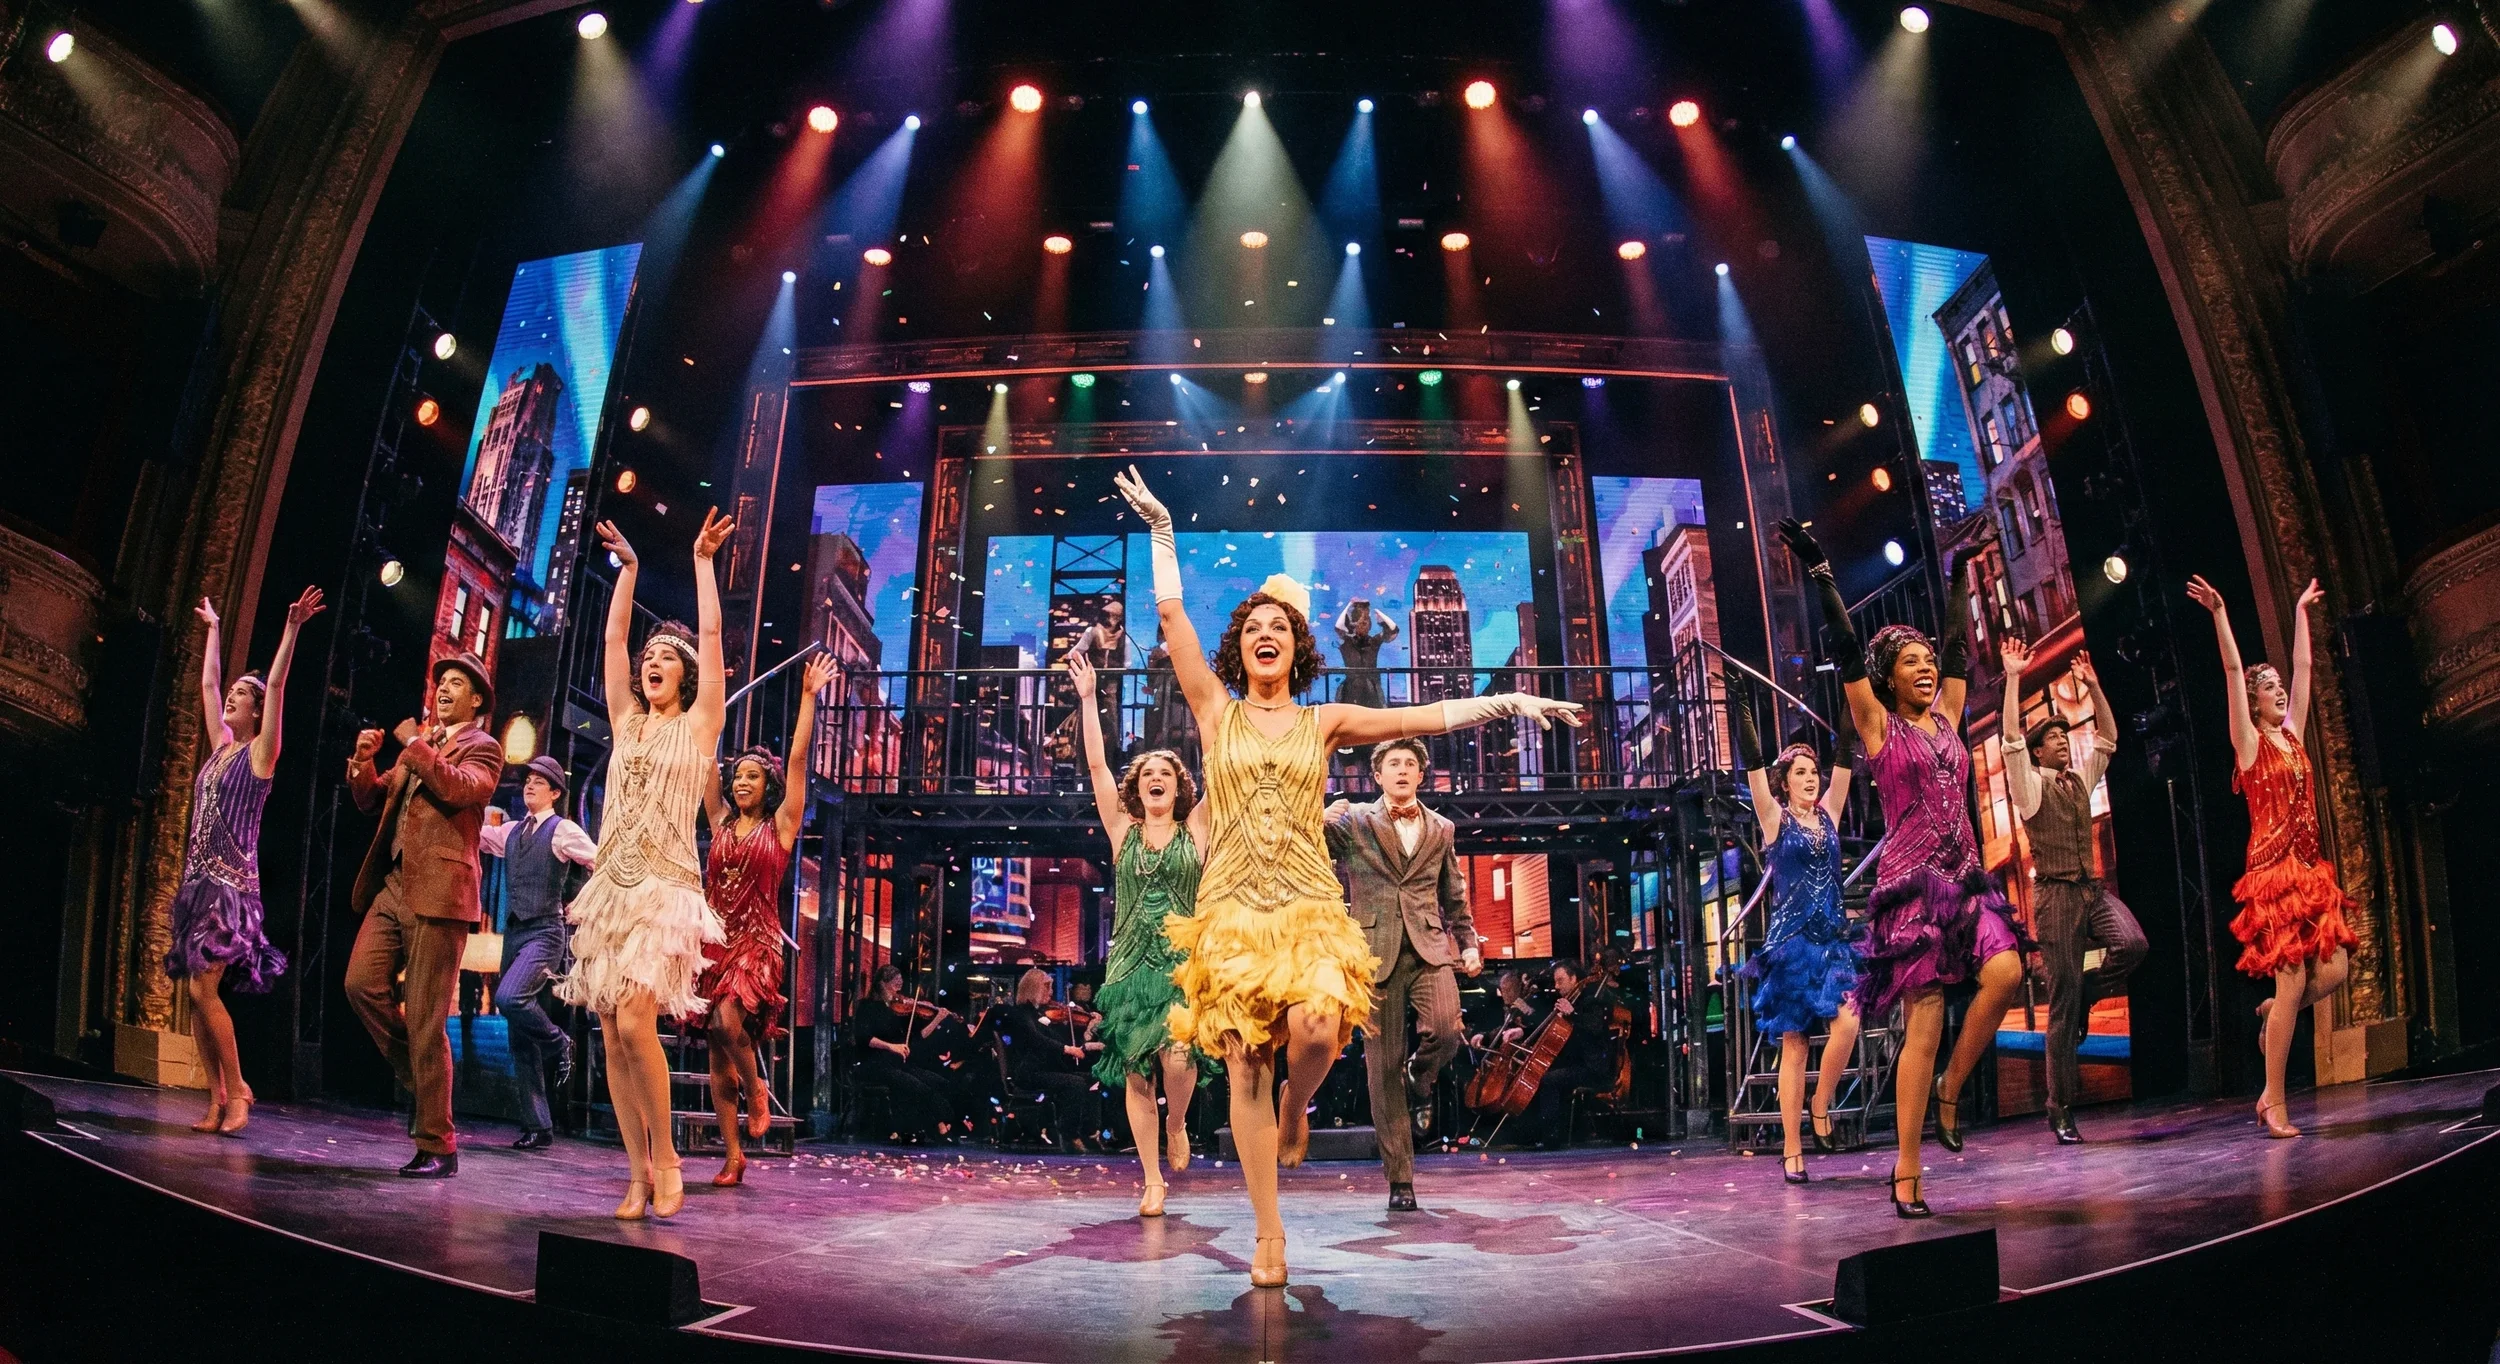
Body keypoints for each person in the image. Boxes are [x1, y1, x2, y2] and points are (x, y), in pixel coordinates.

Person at [1115, 464, 1583, 1287]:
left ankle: (1299, 1107)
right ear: (1242, 645)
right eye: (1255, 625)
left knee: (1320, 1033)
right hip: (1228, 912)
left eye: (1281, 628)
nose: (1267, 634)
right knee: (1245, 1063)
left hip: (1305, 907)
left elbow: (1421, 716)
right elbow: (1173, 617)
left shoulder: (1324, 721)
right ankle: (1269, 1232)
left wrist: (1508, 705)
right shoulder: (1213, 712)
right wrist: (1161, 534)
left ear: (1298, 650)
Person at [1777, 519, 2025, 1219]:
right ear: (1889, 680)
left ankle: (1952, 1088)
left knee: (2005, 973)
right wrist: (1823, 576)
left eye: (1927, 660)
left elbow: (1953, 645)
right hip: (1913, 890)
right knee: (1924, 1020)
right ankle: (1907, 1167)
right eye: (1909, 662)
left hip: (1966, 880)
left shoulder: (1949, 713)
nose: (1924, 667)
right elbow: (1847, 651)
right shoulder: (1879, 727)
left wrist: (1953, 574)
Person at [554, 510, 736, 1219]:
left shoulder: (700, 725)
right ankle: (635, 1171)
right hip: (612, 887)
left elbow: (714, 636)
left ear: (687, 678)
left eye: (667, 661)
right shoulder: (627, 721)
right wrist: (627, 573)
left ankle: (666, 1157)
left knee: (636, 1022)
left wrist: (701, 564)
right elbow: (611, 637)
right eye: (648, 661)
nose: (651, 665)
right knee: (608, 1031)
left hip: (663, 887)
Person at [2186, 574, 2357, 1139]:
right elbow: (2232, 672)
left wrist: (2303, 612)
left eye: (2278, 685)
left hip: (2307, 871)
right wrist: (2219, 615)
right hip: (2272, 874)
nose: (2279, 690)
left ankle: (2271, 1017)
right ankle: (2274, 1100)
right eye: (2269, 687)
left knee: (2334, 968)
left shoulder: (2293, 735)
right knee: (2289, 986)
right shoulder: (2251, 744)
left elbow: (2306, 672)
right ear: (2253, 702)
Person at [343, 650, 505, 1178]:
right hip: (393, 884)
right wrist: (364, 763)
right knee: (360, 984)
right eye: (441, 683)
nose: (443, 690)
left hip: (440, 894)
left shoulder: (483, 747)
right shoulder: (426, 745)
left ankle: (439, 1145)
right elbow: (374, 800)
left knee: (428, 1021)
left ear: (476, 699)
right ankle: (423, 1077)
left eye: (456, 684)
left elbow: (460, 790)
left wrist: (415, 744)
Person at [168, 586, 323, 1136]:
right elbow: (207, 683)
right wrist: (213, 628)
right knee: (193, 991)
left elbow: (277, 682)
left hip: (231, 887)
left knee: (204, 989)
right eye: (232, 691)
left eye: (242, 694)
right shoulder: (218, 749)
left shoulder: (261, 754)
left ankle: (238, 1092)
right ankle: (215, 1098)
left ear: (258, 711)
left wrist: (293, 628)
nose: (230, 696)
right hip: (197, 884)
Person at [1068, 650, 1209, 1216]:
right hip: (1128, 964)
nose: (1155, 779)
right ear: (1138, 787)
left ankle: (1178, 1122)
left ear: (1179, 787)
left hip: (1180, 960)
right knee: (1133, 1073)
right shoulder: (1121, 829)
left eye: (1165, 774)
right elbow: (1099, 768)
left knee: (1177, 1059)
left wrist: (1210, 710)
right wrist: (1087, 700)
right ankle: (1151, 1178)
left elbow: (1221, 765)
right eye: (1147, 774)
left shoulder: (1196, 828)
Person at [1322, 737, 1480, 1212]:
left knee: (1448, 1029)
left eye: (1411, 764)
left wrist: (1469, 943)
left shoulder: (1442, 828)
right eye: (1394, 764)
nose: (1403, 770)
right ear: (1379, 775)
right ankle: (1401, 1179)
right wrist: (1322, 816)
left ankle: (1422, 1074)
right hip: (1374, 953)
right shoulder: (1355, 820)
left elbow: (1454, 893)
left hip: (1430, 948)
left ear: (1421, 774)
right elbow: (1310, 843)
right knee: (1381, 1070)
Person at [696, 653, 837, 1186]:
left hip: (756, 943)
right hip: (713, 941)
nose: (739, 783)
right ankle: (733, 1155)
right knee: (715, 1049)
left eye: (751, 776)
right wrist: (709, 694)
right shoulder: (719, 820)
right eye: (737, 777)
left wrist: (807, 697)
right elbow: (705, 756)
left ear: (768, 784)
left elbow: (798, 759)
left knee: (729, 1021)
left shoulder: (780, 826)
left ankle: (759, 1090)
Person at [2000, 641, 2146, 1145]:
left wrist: (2095, 686)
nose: (2063, 741)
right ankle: (2060, 1108)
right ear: (2040, 751)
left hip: (2091, 890)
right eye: (2054, 738)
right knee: (2061, 1005)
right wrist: (2014, 677)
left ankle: (2088, 995)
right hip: (2056, 897)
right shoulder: (2030, 786)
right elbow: (2011, 743)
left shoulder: (2078, 779)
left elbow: (2107, 737)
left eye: (2065, 735)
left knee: (2133, 944)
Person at [1728, 685, 1861, 1184]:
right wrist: (1743, 709)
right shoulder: (1773, 818)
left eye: (1813, 772)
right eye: (1801, 773)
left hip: (1831, 940)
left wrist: (1852, 688)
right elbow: (1754, 760)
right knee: (1795, 1046)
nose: (1811, 778)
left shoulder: (1829, 813)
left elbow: (1845, 751)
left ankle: (1821, 1104)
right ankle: (1790, 1147)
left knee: (1847, 1024)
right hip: (1791, 944)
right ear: (1784, 783)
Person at [478, 755, 598, 1151]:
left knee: (510, 997)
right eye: (527, 780)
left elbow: (602, 863)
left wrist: (579, 905)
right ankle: (539, 1126)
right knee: (517, 1036)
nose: (529, 786)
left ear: (555, 792)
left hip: (546, 932)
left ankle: (558, 1041)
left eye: (538, 782)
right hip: (514, 932)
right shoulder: (512, 831)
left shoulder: (562, 830)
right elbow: (475, 834)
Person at [994, 968, 1106, 1150]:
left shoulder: (1039, 1015)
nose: (1051, 993)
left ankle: (1090, 1131)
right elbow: (1037, 1040)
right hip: (1028, 1073)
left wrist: (1087, 1032)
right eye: (1046, 989)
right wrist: (1068, 1049)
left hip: (1045, 1069)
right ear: (1033, 989)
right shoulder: (1019, 1015)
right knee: (1074, 1084)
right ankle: (1068, 1135)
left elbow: (1058, 1041)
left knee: (1092, 1080)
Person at [851, 963, 956, 1144]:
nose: (899, 986)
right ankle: (937, 1127)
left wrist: (938, 1018)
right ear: (883, 983)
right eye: (896, 982)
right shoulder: (867, 1006)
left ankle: (938, 1124)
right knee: (918, 1087)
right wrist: (892, 1046)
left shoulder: (895, 1009)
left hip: (897, 1063)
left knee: (938, 1082)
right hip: (874, 1064)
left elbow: (917, 1037)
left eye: (901, 981)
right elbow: (864, 1038)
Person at [1521, 960, 1620, 1149]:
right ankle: (1534, 1133)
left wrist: (1572, 1013)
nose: (1556, 986)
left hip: (1593, 1067)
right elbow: (1548, 1030)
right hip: (1576, 1064)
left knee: (1549, 1080)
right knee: (1540, 1075)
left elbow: (1595, 1028)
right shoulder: (1567, 1001)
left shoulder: (1591, 999)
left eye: (1561, 980)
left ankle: (1551, 1138)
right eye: (1555, 982)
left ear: (1574, 978)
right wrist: (1523, 1033)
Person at [1334, 600, 1399, 710]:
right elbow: (1338, 628)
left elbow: (1393, 631)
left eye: (1366, 622)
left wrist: (1380, 617)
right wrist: (1348, 605)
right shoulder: (1347, 642)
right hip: (1350, 691)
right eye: (1359, 622)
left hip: (1372, 690)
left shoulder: (1374, 642)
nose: (1363, 625)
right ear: (1353, 624)